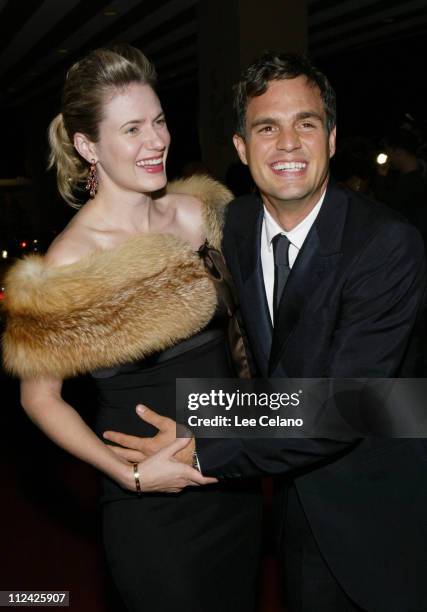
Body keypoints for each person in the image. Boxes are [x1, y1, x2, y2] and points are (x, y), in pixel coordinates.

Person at [107, 53, 427, 612]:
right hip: (286, 509)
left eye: (305, 123)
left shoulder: (386, 244)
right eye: (266, 127)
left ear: (331, 138)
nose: (287, 143)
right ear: (240, 147)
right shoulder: (230, 228)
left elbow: (346, 404)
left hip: (377, 512)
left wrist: (199, 446)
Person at [2, 45, 263, 612]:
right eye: (132, 129)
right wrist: (130, 476)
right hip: (157, 511)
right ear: (87, 146)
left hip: (233, 477)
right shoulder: (69, 265)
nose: (157, 141)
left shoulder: (199, 214)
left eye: (160, 121)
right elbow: (39, 398)